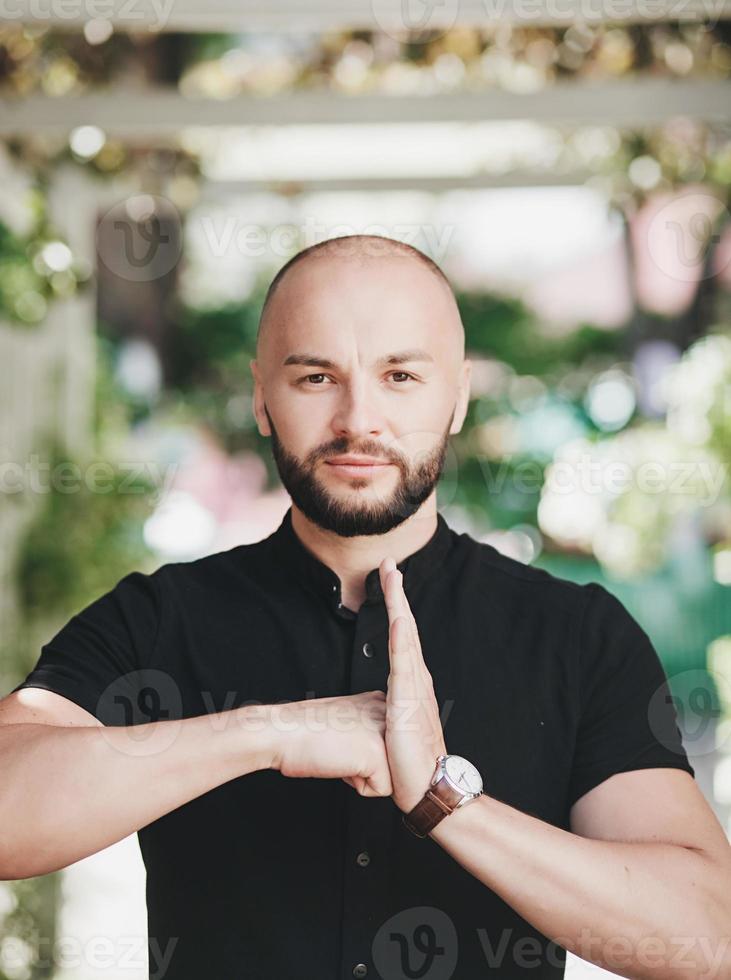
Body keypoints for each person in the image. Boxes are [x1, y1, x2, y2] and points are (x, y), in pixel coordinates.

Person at [1, 234, 730, 980]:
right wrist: (269, 732)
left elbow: (706, 935)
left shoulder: (576, 636)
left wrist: (446, 801)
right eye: (316, 377)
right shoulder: (157, 618)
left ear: (456, 398)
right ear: (260, 396)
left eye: (400, 377)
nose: (358, 420)